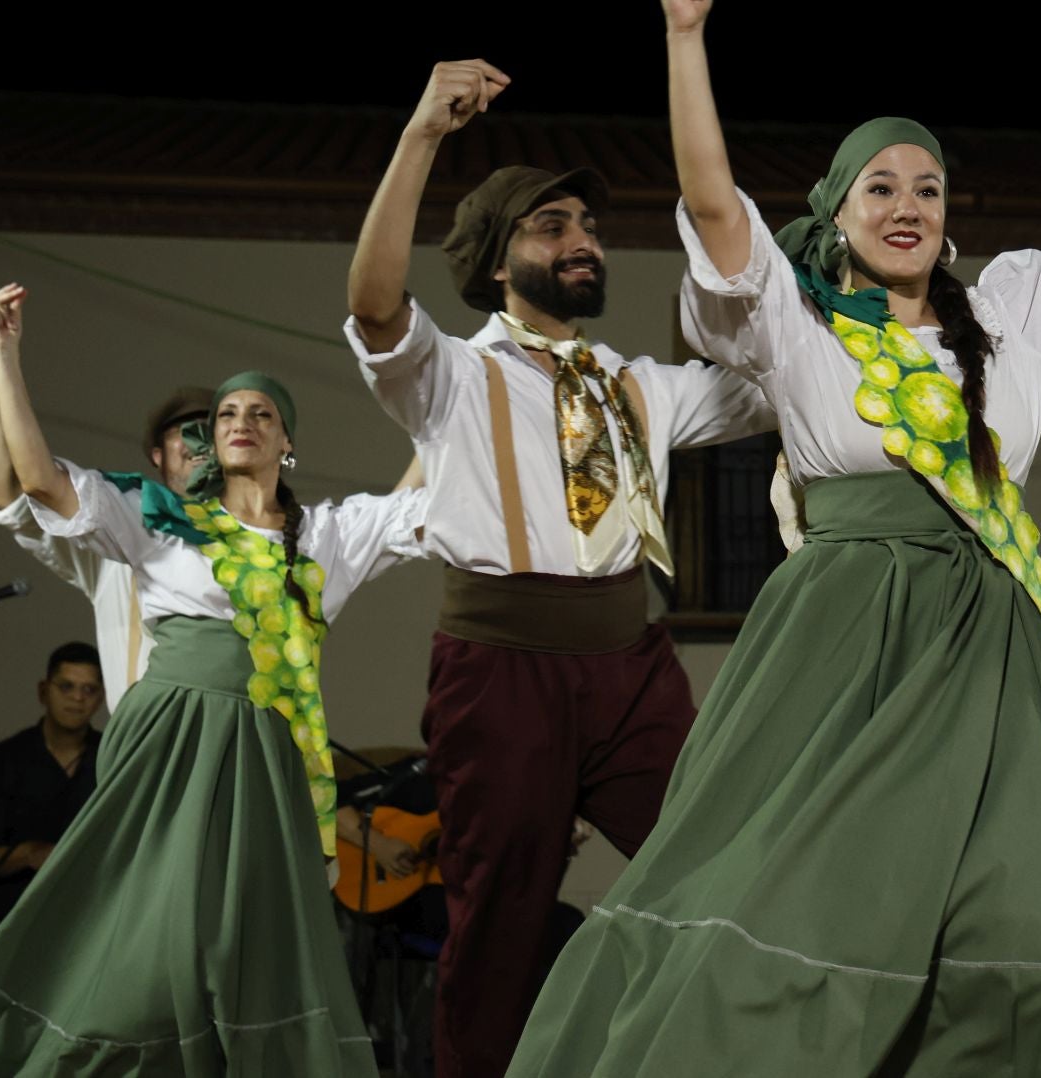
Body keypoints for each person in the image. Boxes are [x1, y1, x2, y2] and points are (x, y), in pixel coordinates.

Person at [505, 6, 1041, 1075]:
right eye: (880, 187)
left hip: (988, 648)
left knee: (1006, 911)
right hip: (848, 635)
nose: (906, 205)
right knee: (811, 891)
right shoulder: (798, 322)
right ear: (838, 211)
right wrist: (684, 38)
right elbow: (714, 205)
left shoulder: (1004, 318)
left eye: (927, 189)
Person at [344, 57, 779, 1078]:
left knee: (723, 866)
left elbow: (783, 384)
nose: (582, 240)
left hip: (632, 667)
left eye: (587, 225)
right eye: (552, 227)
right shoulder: (452, 376)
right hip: (501, 673)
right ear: (499, 264)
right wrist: (421, 131)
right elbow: (373, 304)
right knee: (499, 926)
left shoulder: (638, 383)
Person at [0, 282, 427, 1075]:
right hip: (170, 745)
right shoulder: (163, 521)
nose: (241, 421)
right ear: (211, 443)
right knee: (152, 946)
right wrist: (3, 360)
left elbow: (418, 492)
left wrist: (456, 394)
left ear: (286, 442)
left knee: (249, 949)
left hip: (268, 759)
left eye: (261, 413)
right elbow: (38, 482)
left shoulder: (325, 538)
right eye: (226, 414)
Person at [0, 369, 209, 711]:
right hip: (144, 739)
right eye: (183, 431)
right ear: (158, 455)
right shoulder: (117, 532)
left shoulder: (263, 540)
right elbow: (9, 494)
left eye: (210, 430)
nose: (198, 440)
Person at [0, 642, 104, 936]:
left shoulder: (112, 759)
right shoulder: (5, 760)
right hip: (7, 921)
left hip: (87, 920)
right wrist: (29, 854)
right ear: (43, 691)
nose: (77, 698)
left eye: (89, 689)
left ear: (101, 698)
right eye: (67, 686)